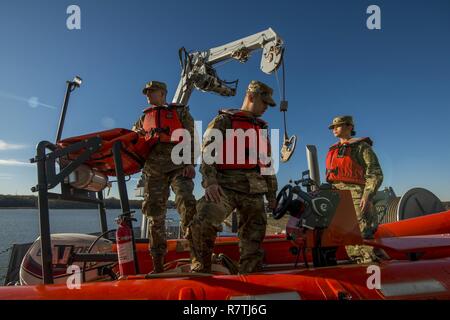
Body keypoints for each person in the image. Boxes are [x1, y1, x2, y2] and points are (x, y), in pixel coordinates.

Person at [189, 80, 278, 274]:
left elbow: (268, 164)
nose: (266, 108)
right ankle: (201, 268)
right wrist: (210, 183)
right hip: (225, 186)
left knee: (254, 234)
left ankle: (250, 274)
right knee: (203, 219)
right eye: (264, 103)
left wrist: (272, 194)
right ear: (251, 97)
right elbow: (208, 153)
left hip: (254, 190)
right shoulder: (224, 121)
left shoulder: (261, 130)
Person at [132, 81, 197, 273]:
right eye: (146, 92)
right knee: (154, 215)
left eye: (151, 91)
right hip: (154, 170)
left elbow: (192, 137)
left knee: (186, 202)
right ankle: (158, 264)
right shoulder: (144, 117)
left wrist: (190, 163)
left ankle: (197, 256)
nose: (148, 95)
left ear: (163, 93)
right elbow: (135, 139)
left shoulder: (180, 112)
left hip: (179, 165)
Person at [326, 115, 384, 263]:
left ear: (349, 127)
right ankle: (359, 265)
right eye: (333, 127)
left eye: (338, 126)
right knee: (347, 236)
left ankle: (372, 269)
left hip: (356, 194)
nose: (334, 129)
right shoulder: (334, 149)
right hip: (338, 195)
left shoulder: (361, 147)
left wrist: (367, 195)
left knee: (361, 233)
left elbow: (375, 173)